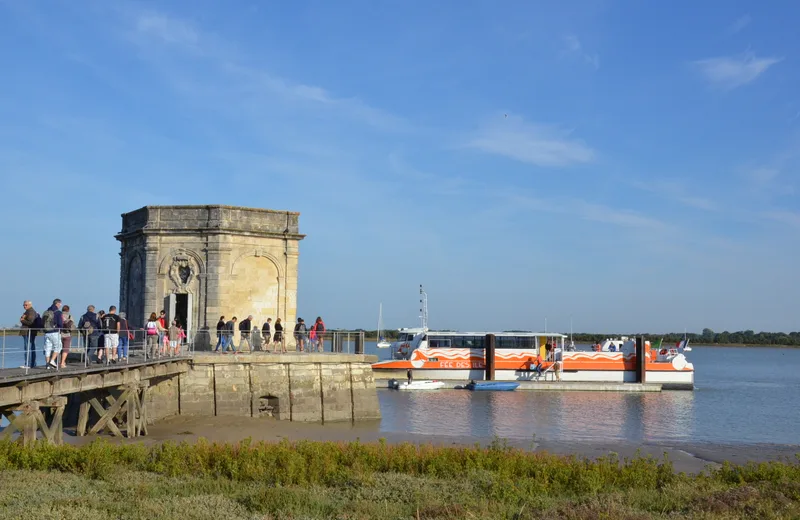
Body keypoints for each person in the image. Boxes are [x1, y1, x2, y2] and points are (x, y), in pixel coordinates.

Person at [42, 298, 64, 369]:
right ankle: (52, 360)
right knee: (58, 347)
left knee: (47, 348)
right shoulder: (58, 312)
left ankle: (47, 365)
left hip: (46, 332)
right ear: (57, 303)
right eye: (60, 304)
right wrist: (61, 328)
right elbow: (60, 323)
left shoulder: (46, 311)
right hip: (54, 332)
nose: (61, 305)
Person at [19, 300, 38, 368]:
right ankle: (32, 364)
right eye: (24, 305)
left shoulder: (30, 312)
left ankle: (28, 364)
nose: (24, 306)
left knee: (28, 348)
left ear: (30, 305)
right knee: (30, 347)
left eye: (26, 305)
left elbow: (30, 322)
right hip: (29, 332)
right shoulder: (28, 311)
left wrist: (22, 320)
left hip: (28, 332)